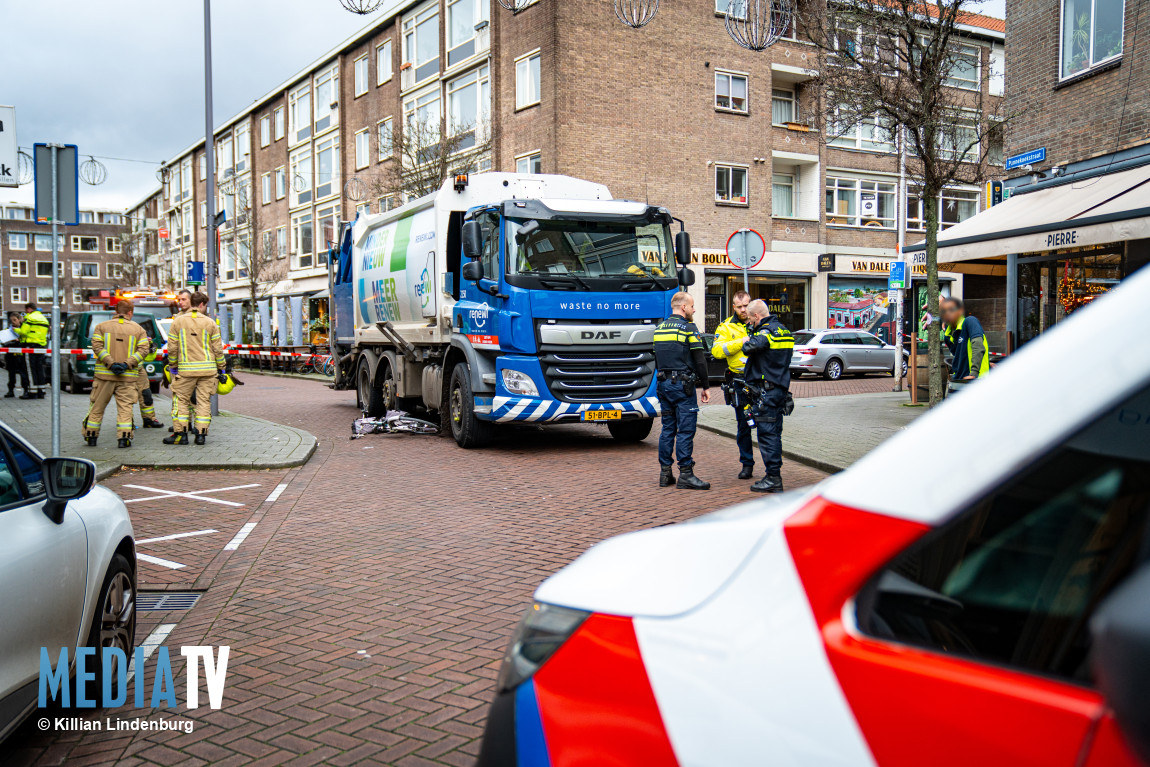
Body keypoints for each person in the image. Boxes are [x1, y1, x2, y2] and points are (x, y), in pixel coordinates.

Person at [653, 291, 712, 490]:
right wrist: (705, 386)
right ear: (684, 307)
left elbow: (656, 358)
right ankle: (686, 474)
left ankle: (665, 473)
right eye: (692, 306)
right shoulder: (688, 328)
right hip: (682, 386)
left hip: (663, 384)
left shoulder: (659, 328)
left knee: (668, 428)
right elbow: (699, 359)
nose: (694, 309)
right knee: (686, 430)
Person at [740, 299, 795, 493]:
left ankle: (773, 478)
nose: (749, 323)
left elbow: (749, 348)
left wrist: (748, 338)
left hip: (767, 392)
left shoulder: (765, 333)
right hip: (780, 389)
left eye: (750, 319)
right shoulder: (784, 331)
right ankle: (773, 475)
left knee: (767, 435)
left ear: (757, 316)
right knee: (775, 433)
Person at [82, 301, 151, 448]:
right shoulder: (138, 330)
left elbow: (97, 347)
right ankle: (123, 439)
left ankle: (91, 436)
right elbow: (143, 351)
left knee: (97, 407)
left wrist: (110, 363)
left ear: (115, 310)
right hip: (127, 377)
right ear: (130, 312)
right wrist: (127, 364)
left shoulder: (101, 327)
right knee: (125, 409)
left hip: (104, 376)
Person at [164, 292, 226, 446]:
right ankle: (201, 436)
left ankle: (181, 434)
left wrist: (173, 367)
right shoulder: (211, 323)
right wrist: (222, 368)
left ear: (191, 302)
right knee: (203, 402)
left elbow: (172, 348)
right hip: (208, 371)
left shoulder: (178, 322)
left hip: (185, 371)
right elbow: (217, 349)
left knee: (181, 401)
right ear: (201, 305)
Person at [711, 290, 755, 479]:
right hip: (739, 380)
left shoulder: (760, 321)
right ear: (734, 307)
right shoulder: (726, 326)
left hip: (761, 379)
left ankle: (772, 467)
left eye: (746, 305)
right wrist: (740, 341)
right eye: (740, 306)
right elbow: (717, 351)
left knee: (767, 423)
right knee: (744, 425)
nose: (744, 309)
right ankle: (747, 464)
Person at [941, 298, 989, 382]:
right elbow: (961, 357)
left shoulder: (970, 322)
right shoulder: (947, 335)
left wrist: (974, 372)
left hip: (975, 380)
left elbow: (978, 346)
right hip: (959, 380)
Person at [14, 302, 50, 399]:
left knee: (30, 369)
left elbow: (23, 332)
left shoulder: (29, 318)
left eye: (26, 310)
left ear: (29, 309)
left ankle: (32, 392)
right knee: (40, 369)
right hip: (41, 346)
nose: (25, 312)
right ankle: (41, 391)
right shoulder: (44, 319)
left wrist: (15, 330)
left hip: (30, 346)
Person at [5, 312, 31, 399]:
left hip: (20, 355)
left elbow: (25, 339)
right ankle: (11, 390)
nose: (13, 322)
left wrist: (18, 340)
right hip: (11, 355)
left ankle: (26, 390)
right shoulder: (9, 329)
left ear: (19, 319)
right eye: (11, 320)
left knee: (23, 373)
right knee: (11, 373)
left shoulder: (23, 329)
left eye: (15, 320)